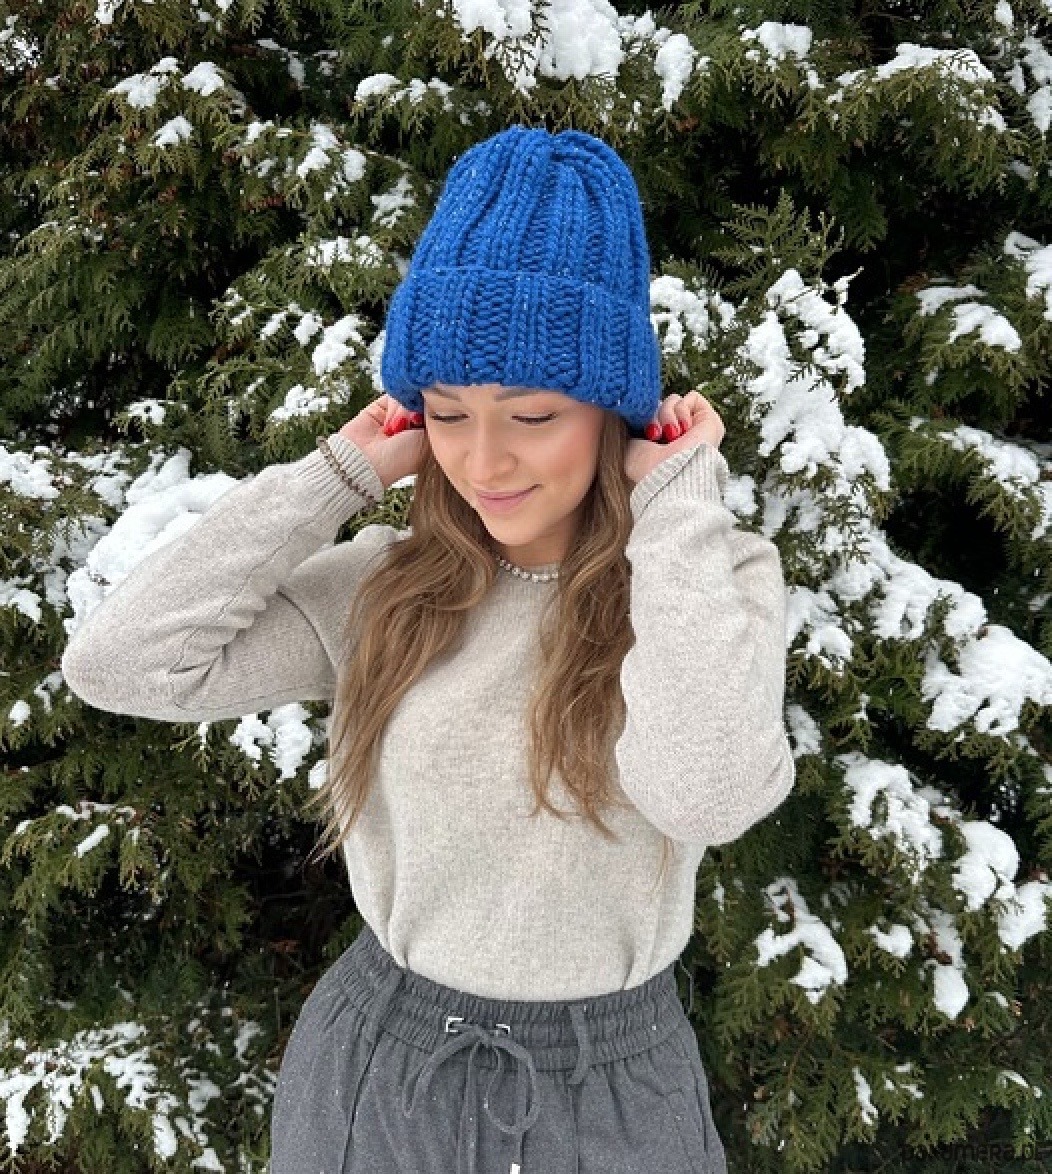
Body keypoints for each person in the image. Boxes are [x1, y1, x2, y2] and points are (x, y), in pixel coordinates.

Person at [61, 124, 795, 1174]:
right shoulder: (388, 589)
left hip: (610, 1094)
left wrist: (676, 506)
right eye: (448, 415)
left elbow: (705, 795)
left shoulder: (705, 582)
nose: (483, 461)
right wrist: (339, 472)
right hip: (377, 1069)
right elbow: (120, 663)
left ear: (613, 414)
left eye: (532, 415)